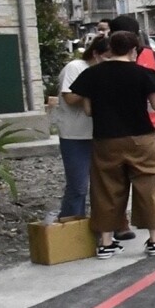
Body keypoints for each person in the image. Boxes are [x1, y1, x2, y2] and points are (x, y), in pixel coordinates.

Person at [65, 30, 155, 258]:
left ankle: (106, 243)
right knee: (147, 187)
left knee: (106, 189)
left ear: (110, 48)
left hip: (106, 138)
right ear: (133, 50)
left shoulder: (92, 74)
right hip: (141, 138)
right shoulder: (144, 73)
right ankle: (154, 240)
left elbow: (88, 110)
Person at [53, 37, 107, 219]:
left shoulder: (104, 70)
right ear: (96, 54)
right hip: (74, 135)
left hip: (99, 133)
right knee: (78, 185)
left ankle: (101, 228)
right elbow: (69, 97)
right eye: (106, 56)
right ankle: (71, 224)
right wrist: (94, 91)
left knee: (102, 185)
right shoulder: (76, 67)